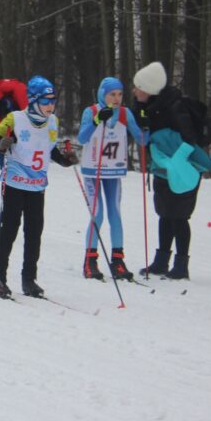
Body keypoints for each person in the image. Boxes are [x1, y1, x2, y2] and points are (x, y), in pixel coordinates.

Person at [0, 76, 79, 299]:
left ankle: (29, 279)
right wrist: (0, 144)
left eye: (53, 100)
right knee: (9, 230)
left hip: (37, 186)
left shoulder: (53, 122)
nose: (51, 105)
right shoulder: (16, 118)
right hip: (15, 183)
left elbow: (50, 151)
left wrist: (65, 160)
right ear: (35, 100)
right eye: (46, 101)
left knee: (34, 233)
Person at [132, 62, 211, 281]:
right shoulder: (148, 107)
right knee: (164, 214)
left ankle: (181, 264)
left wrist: (173, 162)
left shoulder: (174, 107)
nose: (134, 91)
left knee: (179, 217)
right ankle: (161, 261)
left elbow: (189, 139)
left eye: (138, 87)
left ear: (149, 88)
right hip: (162, 170)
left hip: (183, 171)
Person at [75, 77, 146, 281]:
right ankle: (90, 260)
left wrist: (145, 125)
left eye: (120, 94)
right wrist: (98, 121)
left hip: (113, 173)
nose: (116, 99)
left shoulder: (124, 113)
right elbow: (82, 138)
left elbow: (141, 140)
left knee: (115, 214)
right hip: (92, 172)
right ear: (103, 95)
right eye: (111, 95)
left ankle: (118, 261)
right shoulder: (92, 111)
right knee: (97, 213)